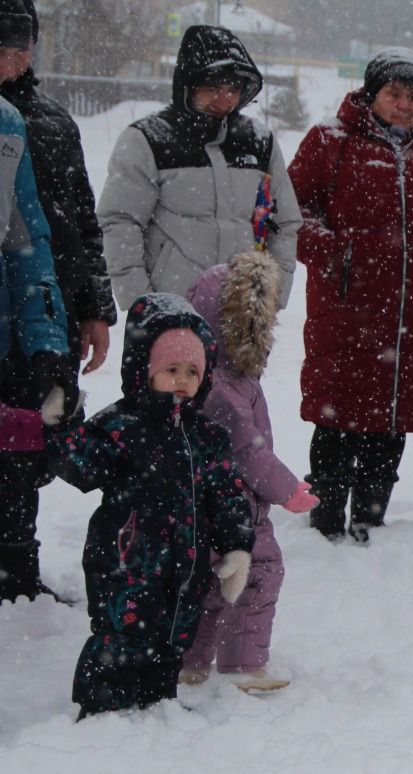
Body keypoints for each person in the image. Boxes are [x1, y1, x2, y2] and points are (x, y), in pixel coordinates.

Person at [289, 48, 413, 542]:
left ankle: (370, 524)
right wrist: (336, 253)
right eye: (394, 94)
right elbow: (291, 210)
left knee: (391, 417)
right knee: (337, 416)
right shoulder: (330, 142)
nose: (404, 105)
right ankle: (325, 524)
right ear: (372, 95)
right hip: (347, 309)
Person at [44, 293, 254, 719]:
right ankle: (101, 705)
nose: (182, 379)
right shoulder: (121, 425)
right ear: (147, 371)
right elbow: (82, 465)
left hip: (185, 566)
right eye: (171, 369)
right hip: (124, 560)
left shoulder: (207, 436)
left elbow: (227, 493)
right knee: (120, 634)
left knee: (173, 635)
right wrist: (62, 423)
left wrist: (237, 546)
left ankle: (158, 702)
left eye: (192, 371)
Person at [0, 0, 116, 603]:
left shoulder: (49, 121)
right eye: (3, 48)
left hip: (47, 309)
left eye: (22, 48)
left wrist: (93, 306)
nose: (13, 60)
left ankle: (17, 565)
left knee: (31, 444)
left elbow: (79, 224)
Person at [177, 252, 317, 692]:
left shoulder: (216, 376)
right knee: (260, 574)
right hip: (236, 509)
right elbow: (249, 454)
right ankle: (242, 665)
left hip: (214, 507)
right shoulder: (224, 389)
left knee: (214, 586)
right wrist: (289, 490)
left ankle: (192, 661)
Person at [97, 24, 300, 311]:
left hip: (240, 312)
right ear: (188, 86)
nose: (224, 99)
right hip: (171, 307)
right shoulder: (149, 139)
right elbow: (121, 222)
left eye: (233, 89)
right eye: (212, 88)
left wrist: (273, 295)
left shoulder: (259, 141)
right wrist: (142, 301)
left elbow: (284, 221)